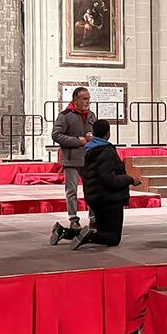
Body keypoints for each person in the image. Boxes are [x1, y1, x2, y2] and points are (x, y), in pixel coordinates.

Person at [71, 119, 141, 250]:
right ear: (108, 133)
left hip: (95, 198)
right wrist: (130, 179)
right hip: (110, 199)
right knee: (113, 238)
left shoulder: (88, 149)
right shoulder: (105, 151)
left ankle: (66, 232)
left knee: (104, 233)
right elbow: (109, 179)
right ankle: (89, 236)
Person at [51, 87, 96, 232]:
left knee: (91, 189)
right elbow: (56, 135)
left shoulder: (91, 115)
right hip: (71, 160)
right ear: (75, 99)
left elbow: (95, 132)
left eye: (88, 98)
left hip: (88, 158)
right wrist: (78, 141)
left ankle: (93, 218)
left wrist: (92, 136)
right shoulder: (65, 116)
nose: (87, 102)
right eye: (84, 99)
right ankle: (73, 219)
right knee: (72, 191)